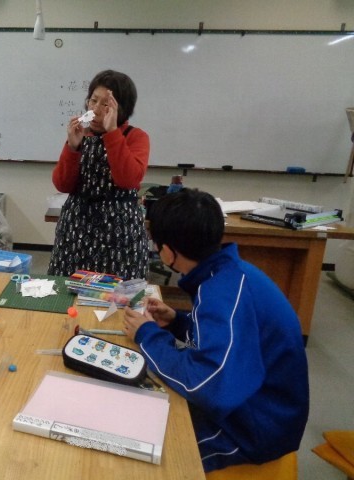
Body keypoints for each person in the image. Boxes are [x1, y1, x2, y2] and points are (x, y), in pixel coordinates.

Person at [122, 189, 309, 473]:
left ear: (168, 252)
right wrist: (177, 322)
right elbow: (228, 341)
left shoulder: (221, 293)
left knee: (143, 451)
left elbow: (206, 385)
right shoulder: (227, 273)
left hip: (254, 429)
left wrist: (147, 335)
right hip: (252, 403)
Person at [47, 70, 150, 279]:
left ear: (121, 108)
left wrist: (112, 133)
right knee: (68, 288)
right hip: (76, 228)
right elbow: (62, 184)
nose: (95, 109)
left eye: (106, 104)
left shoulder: (136, 137)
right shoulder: (82, 135)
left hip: (119, 232)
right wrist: (72, 147)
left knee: (116, 293)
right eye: (93, 100)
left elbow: (128, 179)